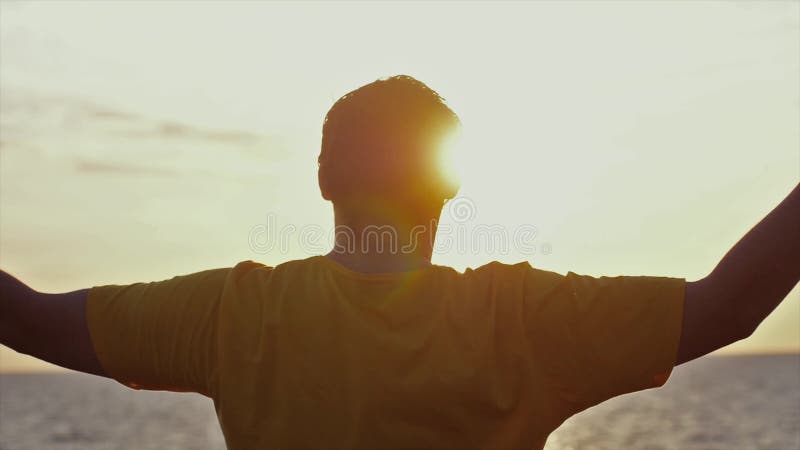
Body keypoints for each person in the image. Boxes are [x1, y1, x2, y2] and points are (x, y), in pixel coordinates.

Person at [1, 75, 798, 450]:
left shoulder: (230, 314)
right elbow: (727, 306)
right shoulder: (524, 321)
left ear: (322, 178)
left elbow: (28, 317)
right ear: (448, 187)